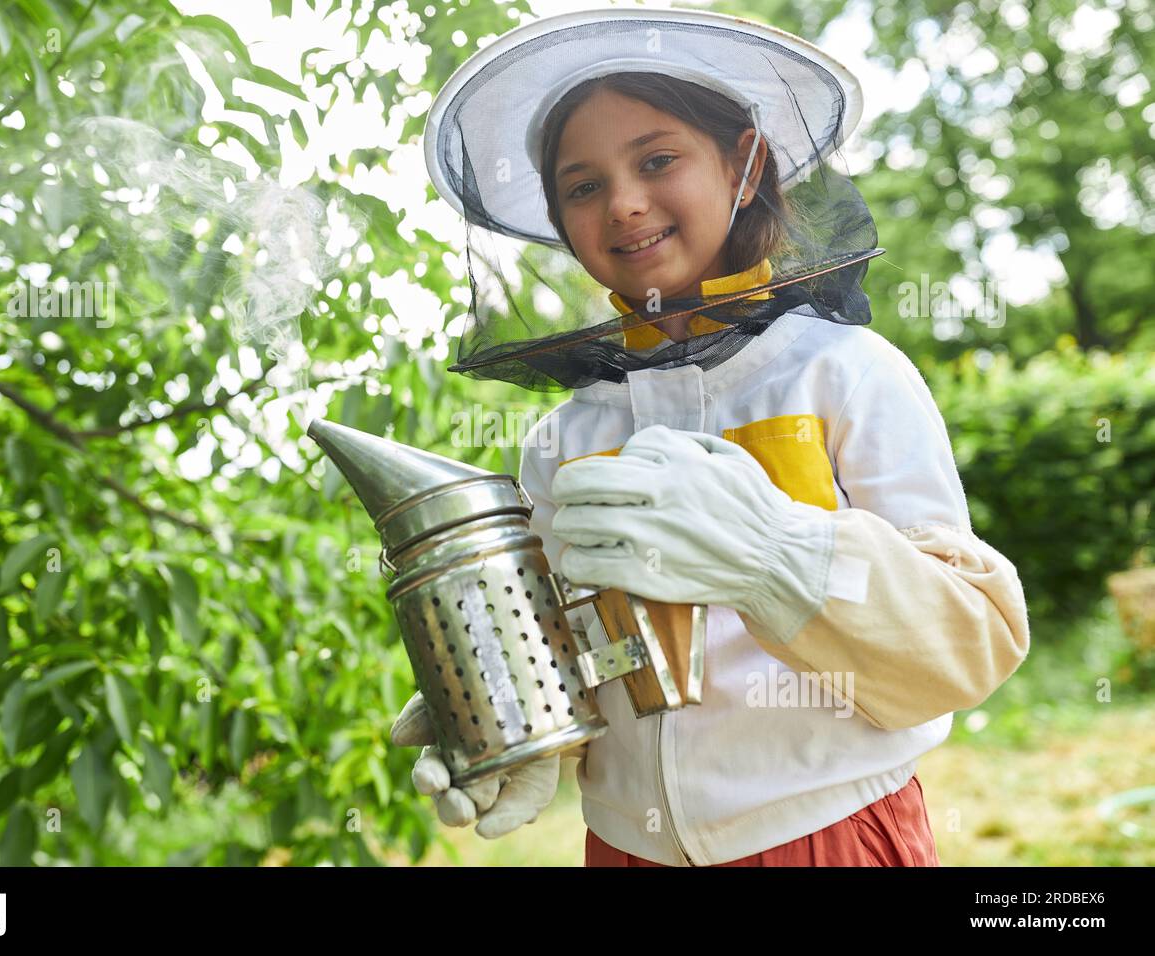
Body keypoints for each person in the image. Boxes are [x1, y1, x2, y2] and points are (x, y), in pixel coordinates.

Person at [392, 6, 1031, 867]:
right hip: (623, 848)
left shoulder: (846, 374)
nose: (622, 204)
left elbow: (967, 642)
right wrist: (510, 713)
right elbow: (581, 646)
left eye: (658, 160)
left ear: (743, 164)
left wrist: (774, 550)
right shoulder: (563, 436)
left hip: (827, 835)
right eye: (581, 187)